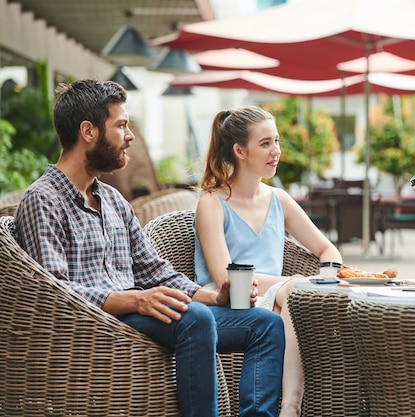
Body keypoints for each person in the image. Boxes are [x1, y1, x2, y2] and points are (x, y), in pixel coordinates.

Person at [13, 79, 285, 417]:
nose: (130, 136)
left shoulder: (113, 200)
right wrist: (136, 300)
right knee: (195, 320)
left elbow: (154, 271)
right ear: (88, 131)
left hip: (141, 313)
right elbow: (55, 293)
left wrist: (215, 298)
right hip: (97, 322)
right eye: (122, 125)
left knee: (264, 324)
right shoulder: (43, 200)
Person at [193, 105, 343, 417]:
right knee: (295, 292)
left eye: (276, 142)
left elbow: (328, 250)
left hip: (274, 299)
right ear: (239, 150)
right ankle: (290, 408)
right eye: (265, 144)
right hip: (226, 302)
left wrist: (324, 277)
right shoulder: (211, 204)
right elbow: (226, 279)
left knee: (295, 296)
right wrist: (298, 285)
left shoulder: (279, 199)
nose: (275, 151)